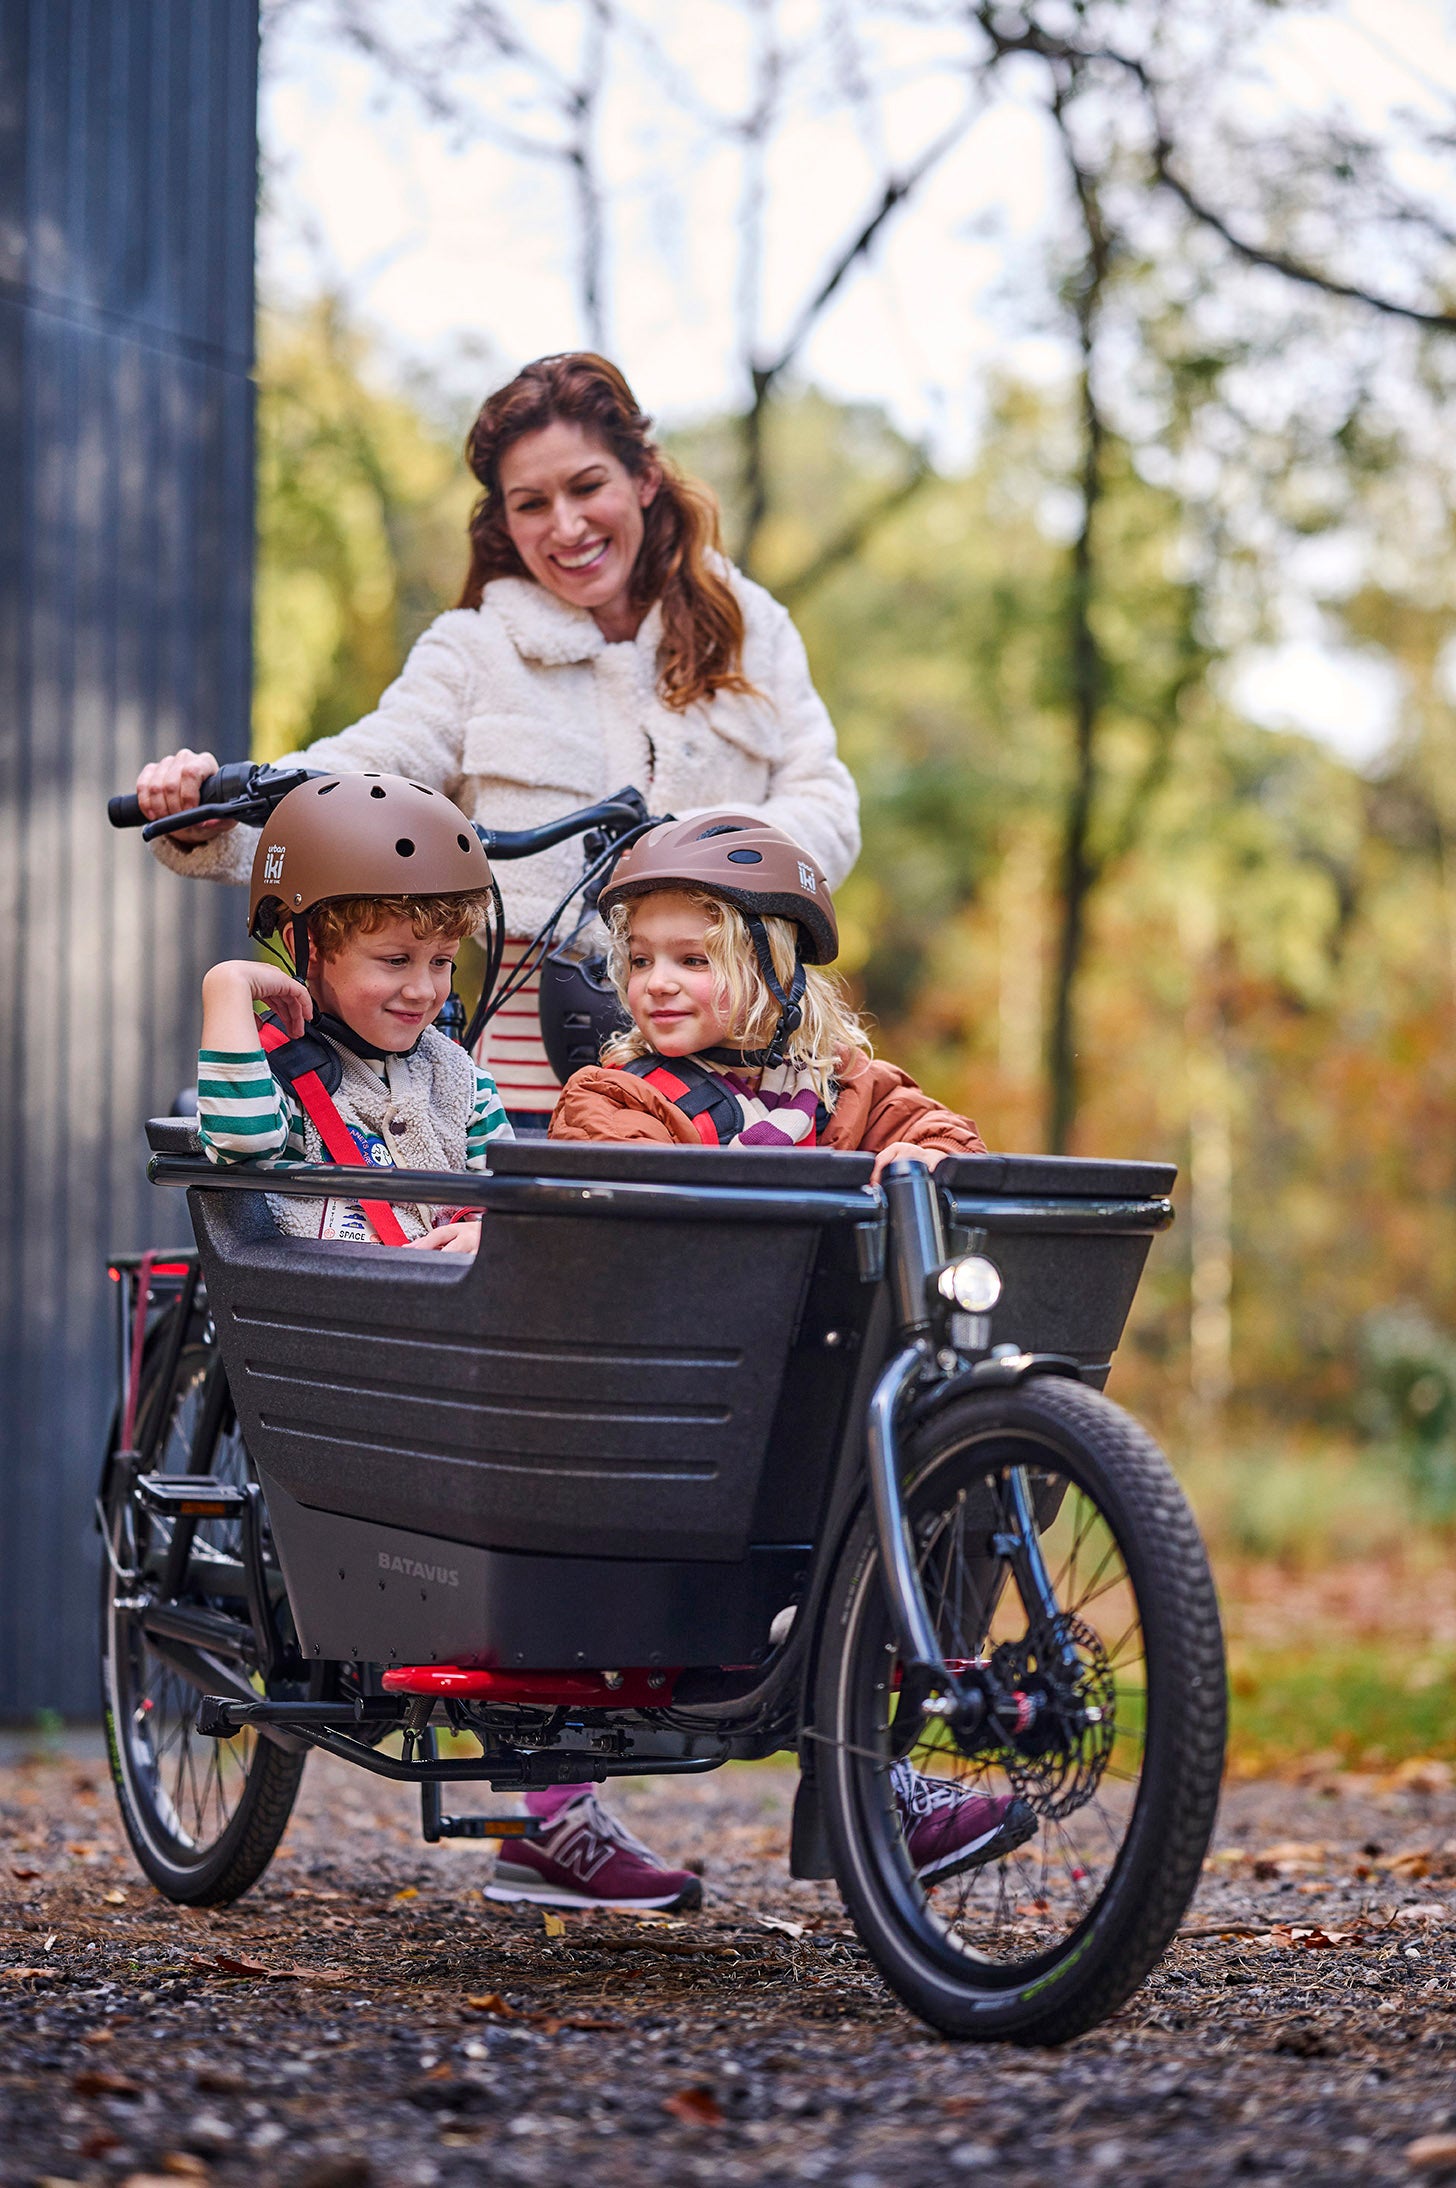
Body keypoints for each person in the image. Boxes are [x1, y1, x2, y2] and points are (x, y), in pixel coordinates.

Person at [135, 350, 861, 1131]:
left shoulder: (750, 627)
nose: (567, 525)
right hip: (522, 1079)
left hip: (730, 1081)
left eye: (587, 487)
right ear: (504, 522)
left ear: (644, 479)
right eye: (532, 504)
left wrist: (703, 853)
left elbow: (824, 800)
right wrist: (226, 810)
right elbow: (369, 772)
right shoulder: (474, 649)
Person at [548, 811, 1038, 1881]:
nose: (655, 983)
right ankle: (556, 1796)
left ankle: (874, 1774)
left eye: (692, 959)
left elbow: (948, 1138)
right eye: (638, 960)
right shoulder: (616, 1093)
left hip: (811, 1412)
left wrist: (895, 1164)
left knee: (912, 1490)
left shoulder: (847, 1089)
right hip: (676, 1416)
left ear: (773, 970)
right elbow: (640, 1185)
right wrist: (818, 1185)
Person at [196, 771, 510, 1250]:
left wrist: (484, 1234)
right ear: (311, 949)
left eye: (442, 961)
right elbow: (242, 1142)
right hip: (330, 1312)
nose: (423, 990)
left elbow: (511, 1206)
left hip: (447, 1313)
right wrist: (227, 987)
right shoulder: (276, 1071)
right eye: (396, 960)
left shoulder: (463, 1084)